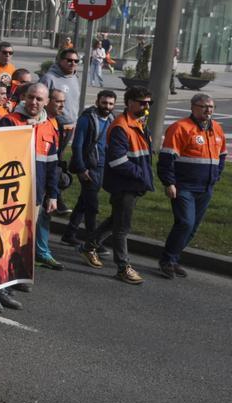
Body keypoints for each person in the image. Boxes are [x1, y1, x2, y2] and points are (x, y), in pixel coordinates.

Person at [81, 86, 154, 285]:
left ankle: (89, 246)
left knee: (116, 220)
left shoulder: (138, 123)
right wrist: (141, 175)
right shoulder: (121, 126)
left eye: (148, 103)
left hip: (133, 183)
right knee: (122, 228)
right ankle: (123, 267)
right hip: (125, 185)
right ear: (129, 102)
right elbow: (117, 161)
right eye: (142, 102)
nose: (146, 106)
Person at [157, 94, 225, 279]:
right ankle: (167, 261)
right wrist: (169, 183)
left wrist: (217, 174)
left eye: (211, 107)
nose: (208, 110)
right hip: (184, 186)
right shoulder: (180, 128)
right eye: (204, 106)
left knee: (193, 226)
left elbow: (222, 155)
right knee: (185, 223)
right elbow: (166, 159)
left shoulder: (216, 128)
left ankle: (173, 258)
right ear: (193, 107)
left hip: (206, 187)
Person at [0, 83, 62, 270]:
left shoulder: (49, 127)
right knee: (8, 235)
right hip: (10, 193)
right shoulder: (9, 121)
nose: (34, 102)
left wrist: (53, 195)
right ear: (24, 97)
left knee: (26, 236)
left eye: (39, 99)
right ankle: (4, 274)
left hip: (36, 193)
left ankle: (18, 272)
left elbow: (52, 166)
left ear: (47, 102)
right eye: (31, 97)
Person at [64, 90, 116, 246]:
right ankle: (93, 242)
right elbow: (77, 145)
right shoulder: (87, 119)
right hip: (88, 167)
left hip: (102, 167)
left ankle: (69, 233)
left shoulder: (112, 120)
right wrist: (81, 168)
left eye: (111, 104)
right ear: (97, 102)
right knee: (92, 206)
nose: (107, 106)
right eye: (104, 103)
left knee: (84, 201)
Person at [38, 48, 81, 127]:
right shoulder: (49, 78)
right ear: (61, 61)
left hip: (72, 125)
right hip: (54, 125)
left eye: (76, 61)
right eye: (69, 60)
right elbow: (39, 103)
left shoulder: (74, 78)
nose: (73, 63)